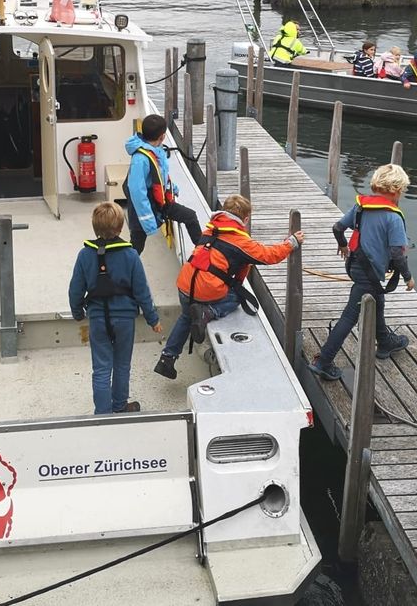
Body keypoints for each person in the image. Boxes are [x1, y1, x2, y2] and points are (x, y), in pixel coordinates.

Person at [154, 194, 304, 380]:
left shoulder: (210, 230)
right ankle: (208, 312)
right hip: (205, 292)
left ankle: (167, 358)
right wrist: (291, 243)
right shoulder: (241, 242)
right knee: (236, 297)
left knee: (186, 316)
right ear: (246, 219)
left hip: (184, 285)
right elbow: (268, 255)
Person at [309, 165, 413, 381]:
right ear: (396, 191)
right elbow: (397, 252)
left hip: (356, 265)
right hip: (371, 273)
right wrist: (408, 277)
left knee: (377, 300)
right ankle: (323, 361)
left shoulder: (361, 208)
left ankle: (384, 342)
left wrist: (344, 246)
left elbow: (338, 227)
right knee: (349, 316)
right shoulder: (393, 218)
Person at [69, 202, 163, 414]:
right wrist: (153, 319)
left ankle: (102, 414)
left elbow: (75, 289)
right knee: (122, 365)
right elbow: (142, 292)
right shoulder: (131, 256)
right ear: (121, 228)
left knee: (101, 368)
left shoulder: (85, 255)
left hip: (98, 319)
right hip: (124, 320)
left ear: (95, 227)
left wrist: (77, 312)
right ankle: (120, 407)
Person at [124, 115, 203, 255]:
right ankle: (122, 270)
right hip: (145, 207)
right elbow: (136, 191)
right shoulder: (140, 159)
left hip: (161, 202)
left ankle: (204, 253)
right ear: (162, 137)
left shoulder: (156, 150)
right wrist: (148, 223)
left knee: (190, 216)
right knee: (137, 245)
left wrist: (173, 188)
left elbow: (161, 175)